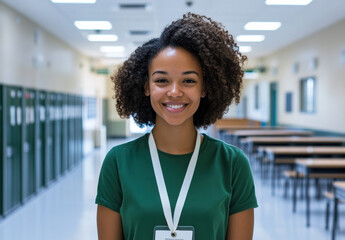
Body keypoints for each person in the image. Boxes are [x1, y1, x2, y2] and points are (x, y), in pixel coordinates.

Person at [96, 12, 258, 240]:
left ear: (204, 88)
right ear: (146, 87)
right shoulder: (118, 162)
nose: (174, 91)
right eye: (161, 80)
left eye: (189, 80)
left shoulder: (232, 164)